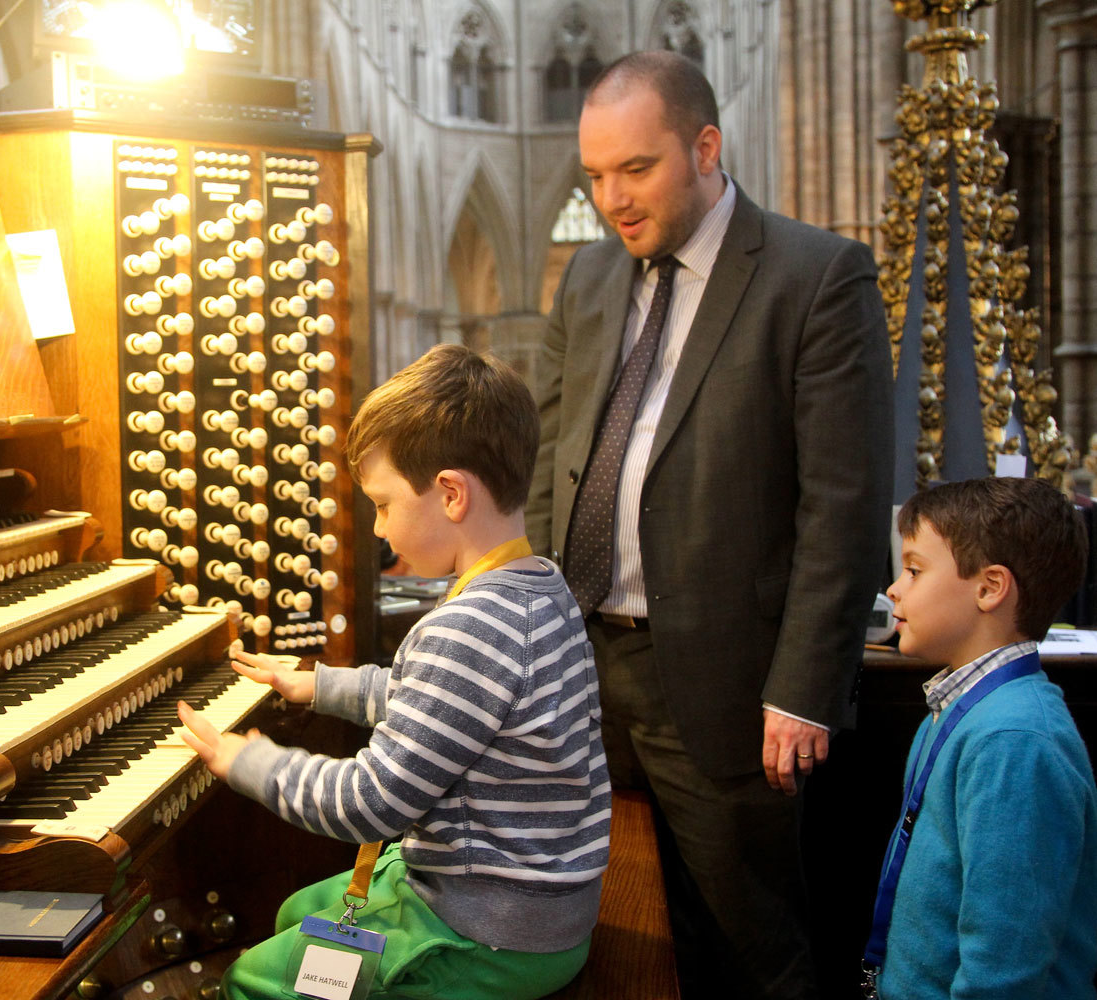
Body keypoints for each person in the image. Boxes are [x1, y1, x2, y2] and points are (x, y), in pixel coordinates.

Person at [525, 51, 893, 998]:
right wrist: (534, 622)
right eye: (594, 175)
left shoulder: (817, 276)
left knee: (749, 949)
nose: (612, 198)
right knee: (614, 937)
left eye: (635, 169)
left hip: (730, 686)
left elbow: (843, 504)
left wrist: (806, 687)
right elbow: (548, 461)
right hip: (584, 664)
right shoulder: (591, 280)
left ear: (704, 146)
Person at [179, 343, 611, 1000]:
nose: (380, 531)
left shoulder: (470, 625)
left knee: (248, 980)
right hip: (537, 905)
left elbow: (371, 804)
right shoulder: (538, 590)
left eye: (382, 504)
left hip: (479, 932)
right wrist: (319, 685)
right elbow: (444, 708)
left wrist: (254, 763)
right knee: (298, 913)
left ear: (450, 493)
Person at [869, 476, 1096, 999]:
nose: (893, 588)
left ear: (990, 588)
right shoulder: (962, 708)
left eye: (914, 569)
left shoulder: (1015, 740)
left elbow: (1005, 962)